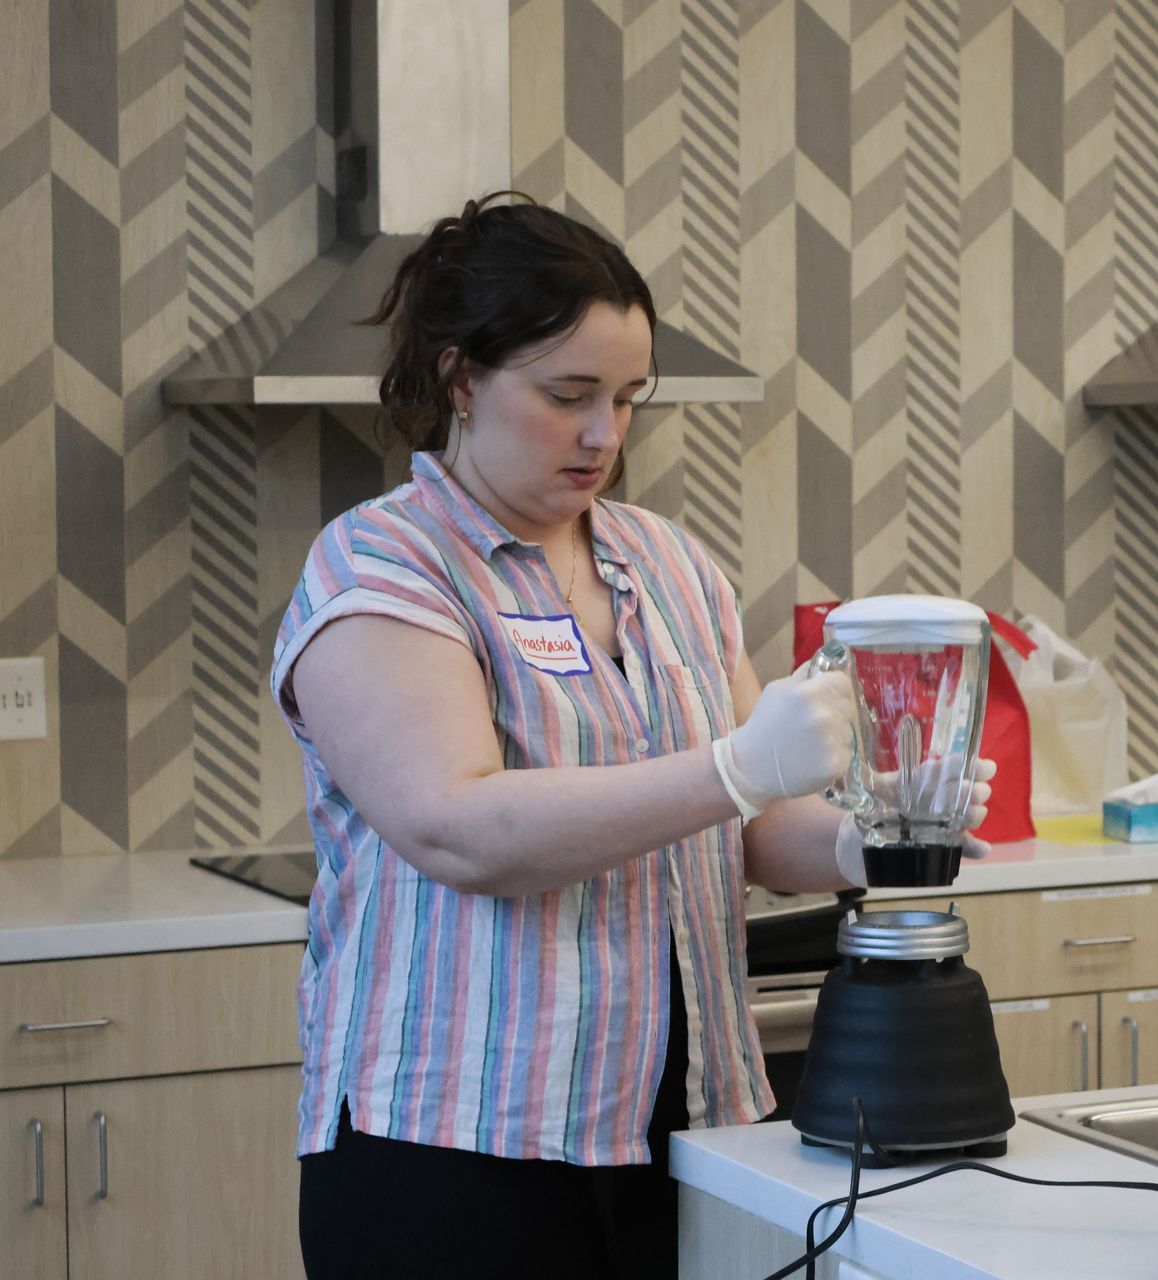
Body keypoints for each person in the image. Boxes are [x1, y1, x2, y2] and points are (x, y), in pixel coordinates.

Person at [272, 192, 993, 1278]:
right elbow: (457, 824)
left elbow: (752, 827)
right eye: (568, 396)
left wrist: (873, 836)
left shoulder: (665, 563)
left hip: (684, 1117)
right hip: (459, 1135)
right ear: (461, 381)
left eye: (625, 396)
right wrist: (737, 765)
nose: (606, 433)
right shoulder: (384, 567)